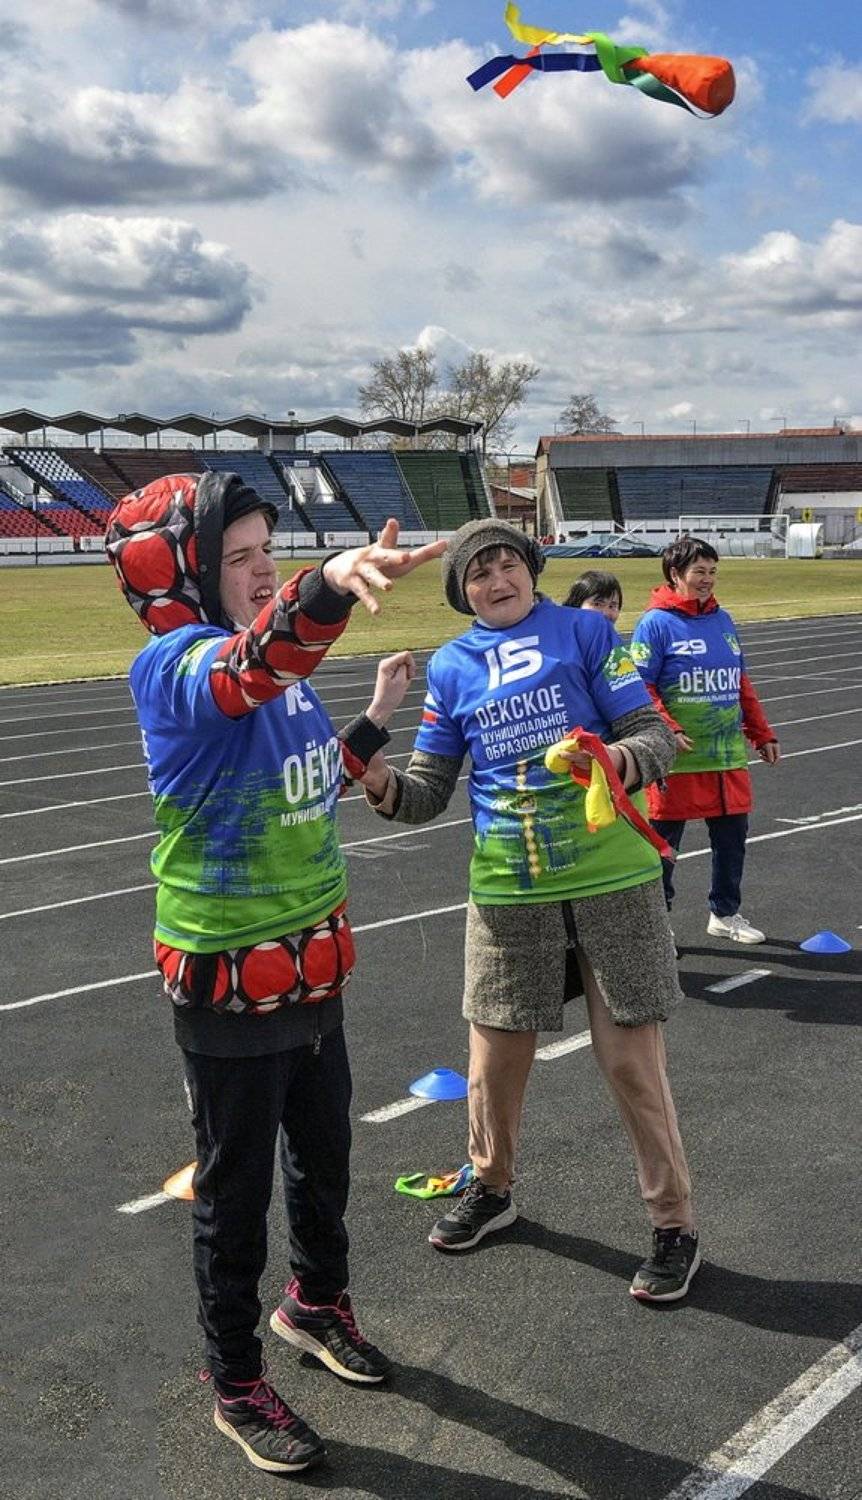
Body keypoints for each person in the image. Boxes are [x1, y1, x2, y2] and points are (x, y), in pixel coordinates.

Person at [105, 473, 444, 1477]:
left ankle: (316, 1305)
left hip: (314, 967)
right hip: (230, 976)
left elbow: (307, 776)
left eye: (270, 553)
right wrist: (328, 583)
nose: (263, 572)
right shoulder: (173, 667)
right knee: (235, 1195)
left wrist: (375, 718)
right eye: (240, 557)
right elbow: (247, 668)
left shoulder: (281, 674)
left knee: (325, 1159)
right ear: (182, 575)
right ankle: (235, 1381)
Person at [361, 518, 701, 1303]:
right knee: (492, 1067)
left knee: (630, 1065)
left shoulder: (585, 633)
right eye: (478, 572)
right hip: (509, 893)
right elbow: (427, 791)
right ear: (463, 593)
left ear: (531, 569)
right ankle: (491, 1188)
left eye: (507, 563)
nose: (497, 579)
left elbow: (653, 734)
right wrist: (380, 782)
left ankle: (674, 1224)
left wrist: (614, 759)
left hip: (612, 883)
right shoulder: (452, 667)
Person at [630, 536, 780, 944]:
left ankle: (725, 913)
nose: (707, 579)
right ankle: (656, 928)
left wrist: (761, 733)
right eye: (699, 571)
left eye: (713, 572)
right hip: (676, 761)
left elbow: (740, 682)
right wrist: (669, 728)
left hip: (726, 757)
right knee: (662, 849)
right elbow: (641, 686)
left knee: (732, 842)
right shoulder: (655, 623)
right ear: (675, 574)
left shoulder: (723, 620)